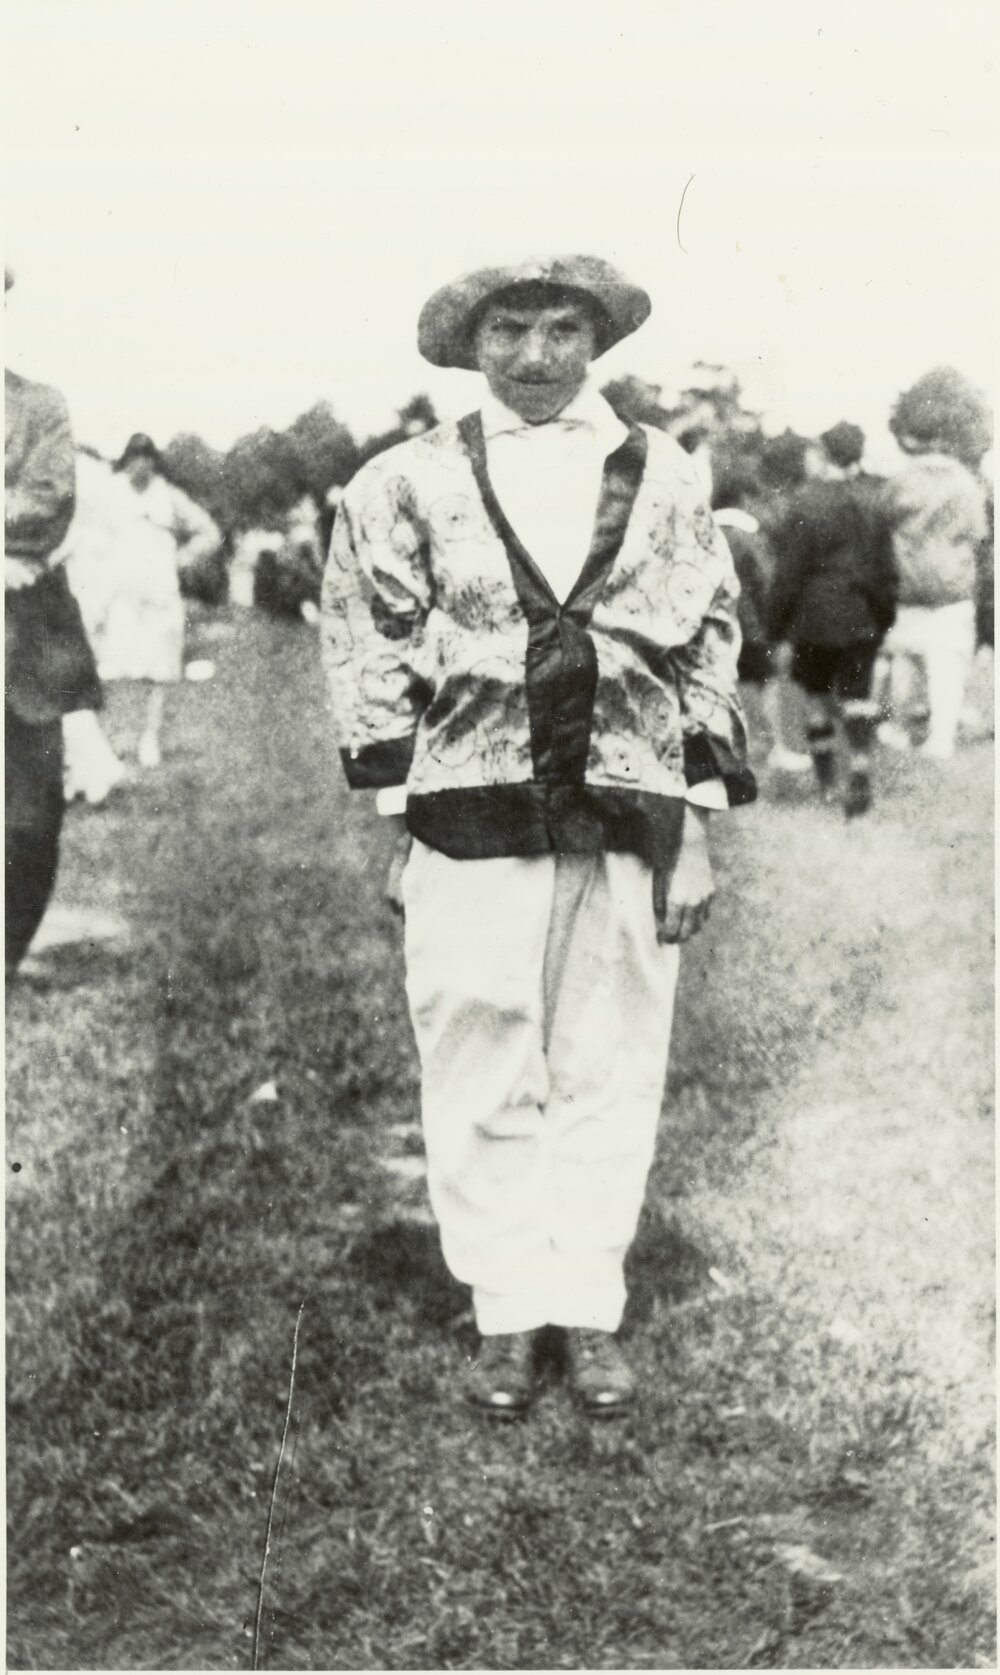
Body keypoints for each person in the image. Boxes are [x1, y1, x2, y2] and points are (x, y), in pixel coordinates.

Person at [322, 254, 755, 1419]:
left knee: (609, 1055)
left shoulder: (664, 474)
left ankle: (588, 1302)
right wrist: (402, 822)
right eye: (507, 329)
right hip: (473, 810)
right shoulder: (402, 481)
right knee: (479, 1049)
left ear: (596, 342)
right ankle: (508, 1308)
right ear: (470, 343)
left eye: (561, 328)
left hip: (627, 805)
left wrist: (694, 831)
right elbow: (367, 650)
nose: (534, 354)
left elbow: (705, 643)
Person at [5, 270, 103, 974]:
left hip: (27, 646)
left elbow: (47, 502)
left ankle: (6, 954)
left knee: (31, 821)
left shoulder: (39, 406)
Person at [766, 421, 897, 817]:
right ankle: (859, 768)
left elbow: (788, 574)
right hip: (861, 613)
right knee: (858, 697)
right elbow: (886, 569)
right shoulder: (874, 501)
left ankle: (827, 785)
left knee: (817, 698)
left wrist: (776, 626)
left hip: (815, 617)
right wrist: (883, 617)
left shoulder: (805, 503)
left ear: (823, 455)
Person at [877, 371, 991, 759]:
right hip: (953, 586)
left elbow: (882, 523)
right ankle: (940, 737)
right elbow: (978, 534)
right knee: (947, 665)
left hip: (908, 584)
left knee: (904, 660)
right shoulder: (966, 483)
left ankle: (896, 727)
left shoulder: (899, 482)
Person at [102, 432, 221, 767]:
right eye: (134, 458)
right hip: (122, 595)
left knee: (157, 671)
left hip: (160, 595)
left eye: (146, 458)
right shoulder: (111, 493)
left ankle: (149, 739)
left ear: (154, 462)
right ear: (126, 461)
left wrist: (181, 559)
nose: (140, 465)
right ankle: (116, 740)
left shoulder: (169, 496)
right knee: (118, 669)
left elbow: (209, 533)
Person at [710, 461, 811, 773]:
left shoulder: (705, 531)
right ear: (744, 498)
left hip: (711, 624)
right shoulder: (749, 537)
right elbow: (767, 582)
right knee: (767, 685)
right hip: (750, 624)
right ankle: (776, 747)